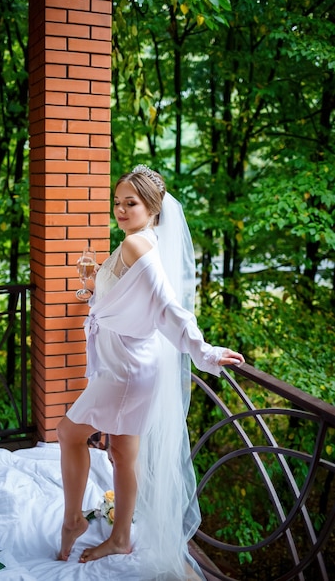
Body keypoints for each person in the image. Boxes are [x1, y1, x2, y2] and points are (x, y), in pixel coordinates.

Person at [57, 165, 244, 580]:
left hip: (124, 370)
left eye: (131, 203)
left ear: (153, 207)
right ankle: (121, 536)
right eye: (117, 202)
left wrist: (205, 351)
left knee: (68, 433)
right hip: (131, 362)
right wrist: (95, 288)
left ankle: (74, 520)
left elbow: (166, 307)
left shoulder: (137, 246)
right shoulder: (142, 241)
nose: (121, 210)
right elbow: (131, 297)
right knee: (123, 454)